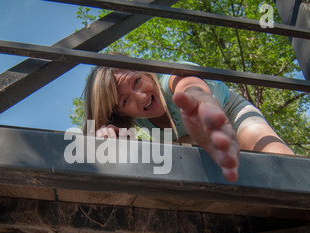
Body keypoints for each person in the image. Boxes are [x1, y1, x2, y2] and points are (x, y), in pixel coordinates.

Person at [82, 61, 294, 182]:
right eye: (126, 100)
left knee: (275, 155)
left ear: (145, 73)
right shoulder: (133, 124)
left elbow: (190, 86)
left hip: (229, 113)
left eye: (137, 81)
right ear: (120, 113)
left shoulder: (169, 78)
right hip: (191, 139)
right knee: (165, 162)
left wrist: (202, 105)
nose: (142, 97)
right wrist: (107, 136)